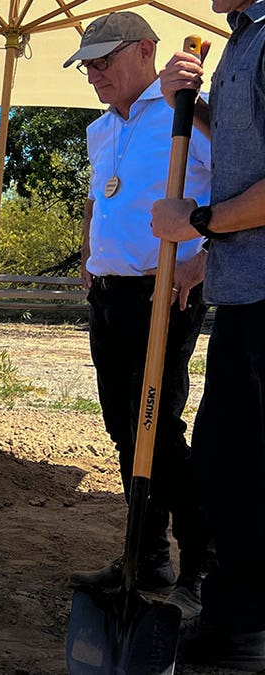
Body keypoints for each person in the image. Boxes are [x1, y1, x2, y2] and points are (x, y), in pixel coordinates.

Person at [60, 11, 213, 619]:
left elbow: (232, 194)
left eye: (104, 60)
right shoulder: (101, 131)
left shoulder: (186, 113)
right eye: (88, 66)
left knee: (159, 426)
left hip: (165, 292)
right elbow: (108, 196)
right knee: (124, 427)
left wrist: (199, 261)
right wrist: (94, 252)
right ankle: (144, 553)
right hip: (111, 295)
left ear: (147, 51)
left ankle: (200, 562)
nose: (94, 74)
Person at [152, 0, 265, 668]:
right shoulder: (241, 41)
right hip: (239, 286)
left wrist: (198, 218)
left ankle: (246, 633)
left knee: (249, 469)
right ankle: (234, 617)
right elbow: (243, 146)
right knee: (224, 463)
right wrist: (188, 103)